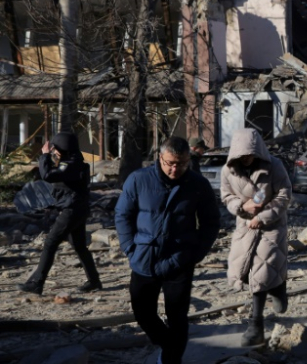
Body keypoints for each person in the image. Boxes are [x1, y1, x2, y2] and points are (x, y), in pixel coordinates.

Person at [115, 137, 220, 364]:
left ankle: (171, 360)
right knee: (143, 313)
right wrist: (130, 249)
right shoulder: (138, 179)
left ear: (189, 160)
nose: (175, 169)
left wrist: (195, 254)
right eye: (170, 163)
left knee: (177, 316)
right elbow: (123, 215)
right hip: (143, 255)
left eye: (182, 164)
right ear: (160, 158)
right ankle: (169, 345)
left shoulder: (198, 184)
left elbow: (211, 222)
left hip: (180, 257)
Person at [221, 128, 291, 347]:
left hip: (271, 225)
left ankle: (256, 325)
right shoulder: (228, 171)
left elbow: (284, 194)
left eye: (251, 154)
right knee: (242, 269)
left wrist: (264, 215)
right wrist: (242, 206)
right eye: (243, 156)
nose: (247, 159)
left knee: (261, 272)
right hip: (245, 225)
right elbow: (226, 196)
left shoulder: (274, 166)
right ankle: (277, 285)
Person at [17, 132, 101, 295]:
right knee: (79, 246)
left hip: (72, 210)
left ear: (63, 148)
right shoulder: (74, 162)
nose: (54, 151)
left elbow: (47, 175)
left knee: (50, 243)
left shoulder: (70, 165)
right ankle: (94, 281)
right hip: (78, 209)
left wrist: (45, 156)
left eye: (56, 148)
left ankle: (36, 282)